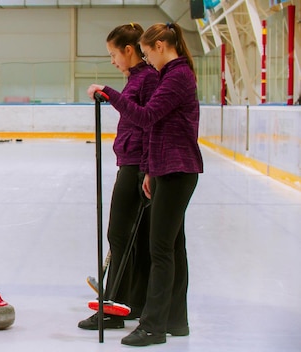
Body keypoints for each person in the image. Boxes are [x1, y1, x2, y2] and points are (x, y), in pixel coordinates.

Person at [88, 22, 203, 347]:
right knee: (169, 248)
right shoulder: (169, 76)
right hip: (165, 168)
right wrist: (151, 169)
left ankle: (154, 325)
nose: (146, 58)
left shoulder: (175, 76)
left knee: (161, 250)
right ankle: (173, 321)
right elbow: (158, 128)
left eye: (148, 51)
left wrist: (109, 93)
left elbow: (146, 117)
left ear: (162, 44)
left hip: (176, 169)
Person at [77, 22, 158, 331]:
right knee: (129, 238)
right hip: (132, 162)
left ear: (129, 50)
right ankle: (129, 302)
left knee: (120, 235)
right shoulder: (137, 78)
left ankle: (114, 306)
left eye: (113, 54)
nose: (112, 60)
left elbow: (148, 121)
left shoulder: (147, 78)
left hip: (137, 165)